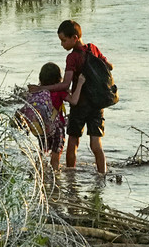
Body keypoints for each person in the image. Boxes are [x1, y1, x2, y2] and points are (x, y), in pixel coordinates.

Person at [29, 19, 112, 174]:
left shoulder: (72, 58)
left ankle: (71, 176)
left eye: (64, 40)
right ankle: (102, 176)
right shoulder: (93, 48)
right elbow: (109, 66)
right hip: (97, 104)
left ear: (74, 38)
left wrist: (41, 88)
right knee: (96, 144)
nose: (62, 44)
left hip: (79, 104)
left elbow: (65, 85)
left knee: (73, 141)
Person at [15, 62, 85, 171]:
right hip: (57, 128)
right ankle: (54, 177)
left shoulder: (37, 92)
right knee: (56, 154)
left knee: (43, 152)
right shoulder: (59, 92)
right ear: (59, 78)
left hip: (42, 128)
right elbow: (74, 101)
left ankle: (39, 174)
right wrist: (80, 83)